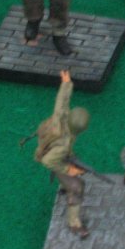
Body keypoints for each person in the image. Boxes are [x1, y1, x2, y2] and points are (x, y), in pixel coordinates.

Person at [34, 70, 91, 238]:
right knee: (77, 187)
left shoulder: (63, 116)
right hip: (55, 158)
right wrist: (68, 170)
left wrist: (66, 84)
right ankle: (74, 223)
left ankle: (65, 184)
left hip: (57, 152)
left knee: (75, 164)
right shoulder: (64, 145)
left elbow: (61, 101)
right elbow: (48, 161)